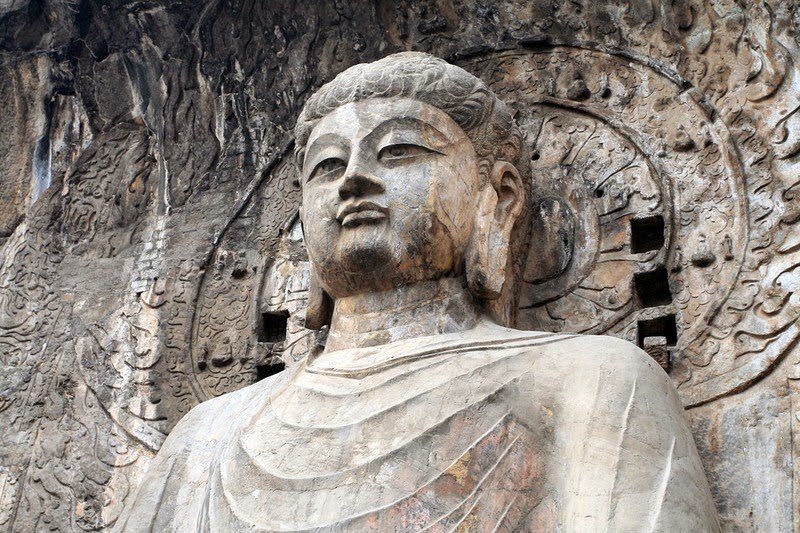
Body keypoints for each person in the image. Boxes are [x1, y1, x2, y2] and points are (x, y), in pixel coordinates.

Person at [117, 52, 719, 532]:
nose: (354, 178)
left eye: (399, 150)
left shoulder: (590, 381)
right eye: (327, 165)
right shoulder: (205, 437)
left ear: (499, 197)